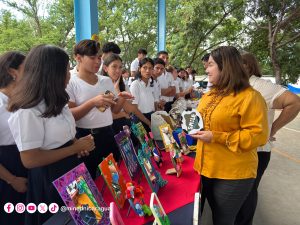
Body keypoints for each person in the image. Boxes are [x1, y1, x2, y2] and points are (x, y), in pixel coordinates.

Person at [7, 45, 95, 225]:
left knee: (85, 218)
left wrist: (79, 144)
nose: (69, 74)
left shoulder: (57, 101)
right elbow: (30, 159)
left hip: (70, 169)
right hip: (51, 178)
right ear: (51, 73)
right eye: (65, 69)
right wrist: (74, 148)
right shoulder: (28, 110)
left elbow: (64, 137)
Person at [190, 46, 269, 225]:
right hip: (204, 168)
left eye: (210, 64)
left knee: (223, 220)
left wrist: (217, 137)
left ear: (225, 66)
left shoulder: (250, 97)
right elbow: (201, 121)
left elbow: (258, 136)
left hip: (233, 174)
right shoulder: (210, 95)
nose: (206, 69)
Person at [235, 52, 300, 225]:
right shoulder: (237, 85)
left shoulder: (262, 86)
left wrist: (273, 129)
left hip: (258, 151)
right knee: (239, 193)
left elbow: (294, 102)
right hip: (239, 150)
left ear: (247, 66)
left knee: (248, 193)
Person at [66, 40, 133, 179]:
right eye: (92, 58)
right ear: (78, 58)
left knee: (114, 178)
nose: (97, 62)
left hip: (108, 133)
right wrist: (92, 103)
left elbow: (114, 110)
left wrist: (122, 98)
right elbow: (70, 115)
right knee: (89, 178)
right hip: (85, 136)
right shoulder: (71, 83)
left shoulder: (105, 81)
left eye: (99, 58)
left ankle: (114, 201)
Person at [0, 51, 27, 225]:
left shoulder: (23, 102)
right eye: (28, 69)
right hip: (7, 169)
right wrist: (11, 179)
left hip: (25, 161)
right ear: (13, 72)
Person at [102, 53, 151, 134]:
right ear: (105, 68)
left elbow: (130, 109)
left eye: (120, 67)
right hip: (110, 129)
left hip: (125, 125)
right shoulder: (100, 86)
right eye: (114, 66)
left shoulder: (122, 86)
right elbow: (103, 114)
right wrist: (122, 114)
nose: (118, 70)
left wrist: (148, 122)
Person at [130, 58, 155, 132]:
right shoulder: (135, 84)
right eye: (145, 67)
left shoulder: (150, 83)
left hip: (150, 117)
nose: (148, 71)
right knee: (144, 143)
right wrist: (148, 122)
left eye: (150, 68)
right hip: (139, 119)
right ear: (139, 69)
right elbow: (134, 109)